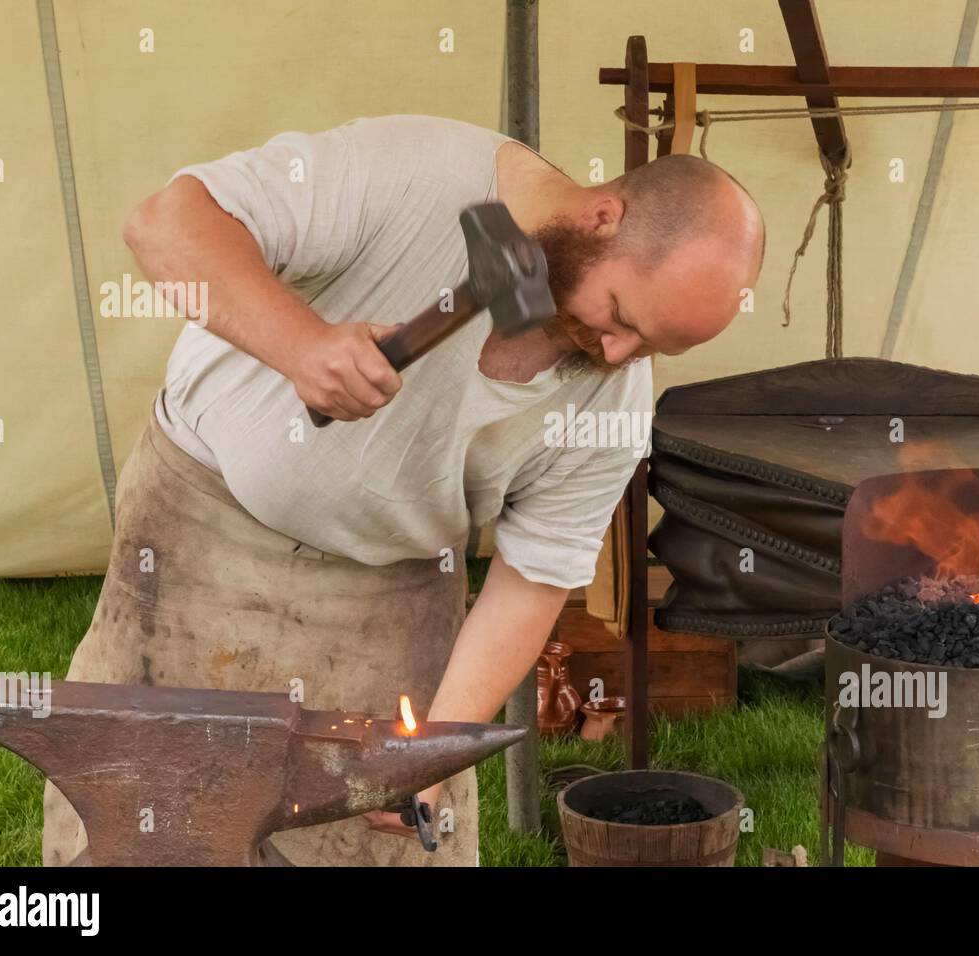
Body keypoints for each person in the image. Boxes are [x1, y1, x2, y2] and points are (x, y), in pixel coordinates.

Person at [43, 114, 765, 866]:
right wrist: (302, 344)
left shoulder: (612, 397)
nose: (618, 351)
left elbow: (535, 575)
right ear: (602, 217)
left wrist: (433, 754)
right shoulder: (416, 173)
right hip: (196, 543)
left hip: (392, 598)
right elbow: (163, 224)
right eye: (619, 315)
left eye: (653, 344)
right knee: (144, 827)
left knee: (388, 842)